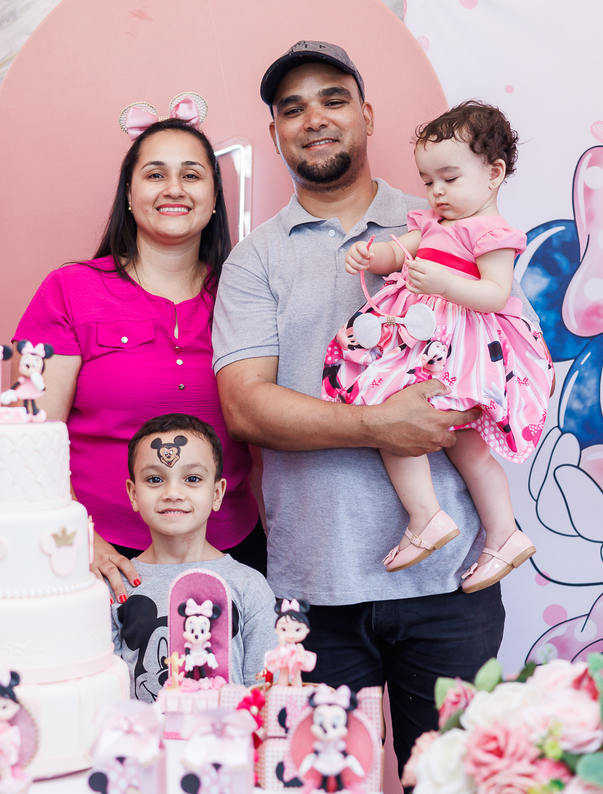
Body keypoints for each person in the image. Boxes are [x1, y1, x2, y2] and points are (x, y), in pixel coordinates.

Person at [211, 40, 541, 781]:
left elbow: (496, 343)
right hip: (314, 586)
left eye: (333, 99)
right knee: (327, 783)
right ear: (274, 132)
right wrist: (379, 424)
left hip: (450, 587)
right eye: (292, 108)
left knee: (453, 781)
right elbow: (246, 408)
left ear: (366, 115)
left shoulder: (442, 213)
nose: (314, 118)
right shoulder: (255, 259)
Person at [14, 117, 263, 605]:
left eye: (191, 175)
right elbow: (30, 438)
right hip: (98, 561)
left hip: (231, 555)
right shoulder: (68, 290)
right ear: (129, 194)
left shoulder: (247, 294)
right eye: (155, 174)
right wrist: (78, 537)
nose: (174, 188)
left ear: (215, 197)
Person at [326, 102, 549, 587]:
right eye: (428, 181)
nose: (437, 192)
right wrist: (370, 255)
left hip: (459, 349)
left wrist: (445, 283)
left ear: (493, 174)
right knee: (431, 434)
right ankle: (495, 532)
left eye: (449, 178)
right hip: (425, 342)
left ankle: (439, 518)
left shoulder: (492, 233)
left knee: (398, 418)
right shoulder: (432, 223)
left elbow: (496, 294)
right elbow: (397, 253)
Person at [109, 413, 276, 703]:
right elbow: (106, 691)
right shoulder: (116, 587)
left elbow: (264, 692)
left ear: (217, 493)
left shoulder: (249, 586)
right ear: (133, 494)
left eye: (192, 479)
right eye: (155, 479)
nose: (173, 493)